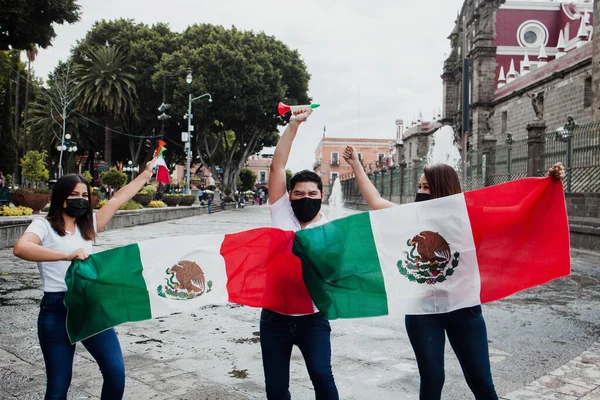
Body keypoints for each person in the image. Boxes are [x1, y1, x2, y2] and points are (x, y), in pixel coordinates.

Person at [343, 144, 565, 400]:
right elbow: (376, 201)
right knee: (433, 379)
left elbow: (517, 214)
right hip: (423, 313)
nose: (420, 192)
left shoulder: (470, 216)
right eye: (419, 186)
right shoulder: (411, 217)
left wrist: (548, 184)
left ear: (443, 189)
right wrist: (357, 166)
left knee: (481, 382)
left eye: (427, 187)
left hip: (464, 311)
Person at [13, 158, 157, 400]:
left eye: (84, 194)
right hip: (57, 309)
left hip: (91, 306)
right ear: (60, 197)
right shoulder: (43, 226)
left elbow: (118, 198)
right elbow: (21, 248)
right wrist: (66, 255)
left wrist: (145, 174)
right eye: (74, 194)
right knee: (59, 386)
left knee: (115, 372)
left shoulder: (89, 224)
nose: (80, 199)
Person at [263, 108, 339, 400]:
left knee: (322, 376)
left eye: (312, 194)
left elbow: (335, 272)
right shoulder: (281, 213)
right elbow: (277, 167)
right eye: (298, 193)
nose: (305, 198)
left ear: (322, 196)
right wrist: (293, 124)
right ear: (289, 196)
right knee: (276, 388)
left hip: (313, 317)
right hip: (274, 318)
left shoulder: (331, 229)